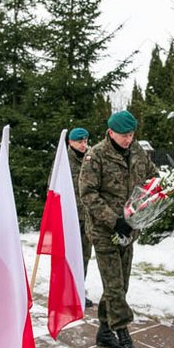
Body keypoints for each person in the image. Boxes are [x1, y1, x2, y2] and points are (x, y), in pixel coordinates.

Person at [79, 110, 158, 348]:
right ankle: (125, 339)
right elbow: (88, 193)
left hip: (129, 229)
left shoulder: (137, 152)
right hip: (104, 231)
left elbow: (151, 177)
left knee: (120, 285)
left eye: (132, 134)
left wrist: (157, 192)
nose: (129, 139)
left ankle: (104, 331)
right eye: (124, 135)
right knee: (114, 287)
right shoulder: (96, 155)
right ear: (111, 132)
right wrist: (114, 220)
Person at [67, 127, 95, 308]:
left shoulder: (92, 158)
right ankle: (67, 294)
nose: (83, 145)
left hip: (88, 216)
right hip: (71, 218)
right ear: (70, 142)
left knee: (84, 256)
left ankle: (78, 291)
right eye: (79, 142)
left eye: (85, 141)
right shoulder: (64, 161)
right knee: (70, 257)